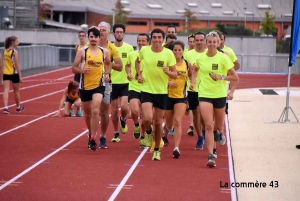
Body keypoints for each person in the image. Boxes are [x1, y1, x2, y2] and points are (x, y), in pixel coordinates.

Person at [191, 31, 239, 167]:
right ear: (206, 43)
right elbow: (195, 70)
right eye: (209, 42)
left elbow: (235, 77)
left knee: (217, 127)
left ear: (218, 43)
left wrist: (222, 79)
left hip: (219, 95)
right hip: (205, 94)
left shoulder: (223, 58)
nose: (212, 44)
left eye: (214, 42)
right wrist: (193, 82)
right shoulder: (200, 58)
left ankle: (220, 133)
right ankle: (211, 155)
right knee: (208, 125)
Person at [136, 28, 177, 161]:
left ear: (163, 39)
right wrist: (139, 74)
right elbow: (137, 61)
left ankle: (157, 150)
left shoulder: (168, 54)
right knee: (147, 118)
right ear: (151, 39)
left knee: (158, 123)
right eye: (155, 37)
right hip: (147, 89)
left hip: (161, 91)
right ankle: (148, 132)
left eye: (160, 37)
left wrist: (168, 72)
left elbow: (175, 74)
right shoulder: (144, 50)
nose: (157, 40)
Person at [72, 26, 111, 151]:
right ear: (89, 38)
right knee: (88, 114)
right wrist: (83, 70)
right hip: (85, 87)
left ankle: (94, 137)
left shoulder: (104, 52)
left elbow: (109, 64)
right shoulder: (82, 51)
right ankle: (90, 133)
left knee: (95, 111)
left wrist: (107, 74)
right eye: (91, 37)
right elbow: (74, 68)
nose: (93, 39)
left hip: (99, 86)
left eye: (96, 37)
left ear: (100, 38)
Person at [163, 40, 191, 158]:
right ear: (172, 51)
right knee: (169, 124)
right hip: (167, 96)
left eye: (180, 50)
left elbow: (190, 77)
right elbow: (160, 77)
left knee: (177, 121)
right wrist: (168, 82)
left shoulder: (187, 63)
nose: (177, 52)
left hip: (181, 97)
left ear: (183, 51)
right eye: (175, 50)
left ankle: (176, 148)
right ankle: (167, 131)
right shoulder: (167, 63)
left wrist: (193, 83)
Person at [98, 21, 123, 147]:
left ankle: (102, 136)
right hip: (90, 81)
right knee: (90, 111)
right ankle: (92, 135)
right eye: (100, 30)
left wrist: (107, 63)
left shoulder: (112, 48)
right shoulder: (90, 44)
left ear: (108, 33)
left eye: (104, 30)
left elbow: (120, 66)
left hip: (106, 81)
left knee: (103, 111)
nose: (101, 32)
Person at [110, 23, 134, 142]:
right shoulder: (108, 48)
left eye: (121, 32)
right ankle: (116, 132)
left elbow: (132, 64)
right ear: (113, 33)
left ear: (124, 34)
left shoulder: (129, 48)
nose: (119, 34)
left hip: (125, 82)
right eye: (117, 32)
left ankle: (123, 119)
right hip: (112, 82)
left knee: (124, 107)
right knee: (114, 110)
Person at [126, 33, 150, 148]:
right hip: (134, 87)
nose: (141, 43)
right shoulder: (132, 54)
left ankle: (143, 136)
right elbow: (127, 65)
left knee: (146, 117)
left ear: (148, 42)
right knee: (134, 111)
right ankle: (136, 124)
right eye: (139, 41)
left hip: (147, 88)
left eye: (143, 41)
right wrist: (129, 73)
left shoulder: (151, 55)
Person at [184, 32, 206, 150]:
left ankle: (205, 131)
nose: (198, 42)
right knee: (196, 114)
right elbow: (185, 72)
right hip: (192, 89)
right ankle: (200, 137)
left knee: (204, 115)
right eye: (196, 40)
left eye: (201, 40)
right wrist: (190, 72)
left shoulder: (209, 54)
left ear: (204, 41)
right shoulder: (188, 55)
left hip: (206, 89)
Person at [2, 36, 24, 114]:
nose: (18, 43)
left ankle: (6, 108)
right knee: (16, 91)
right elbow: (17, 64)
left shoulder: (5, 51)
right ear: (13, 42)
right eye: (17, 41)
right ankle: (18, 107)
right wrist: (20, 75)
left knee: (6, 90)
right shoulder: (14, 52)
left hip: (6, 73)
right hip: (14, 73)